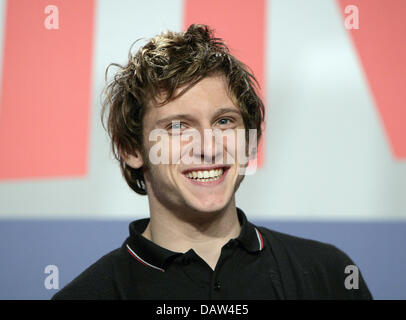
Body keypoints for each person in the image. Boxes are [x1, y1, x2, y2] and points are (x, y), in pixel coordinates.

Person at [52, 24, 372, 300]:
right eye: (178, 126)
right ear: (131, 148)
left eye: (224, 122)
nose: (209, 147)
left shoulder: (329, 277)